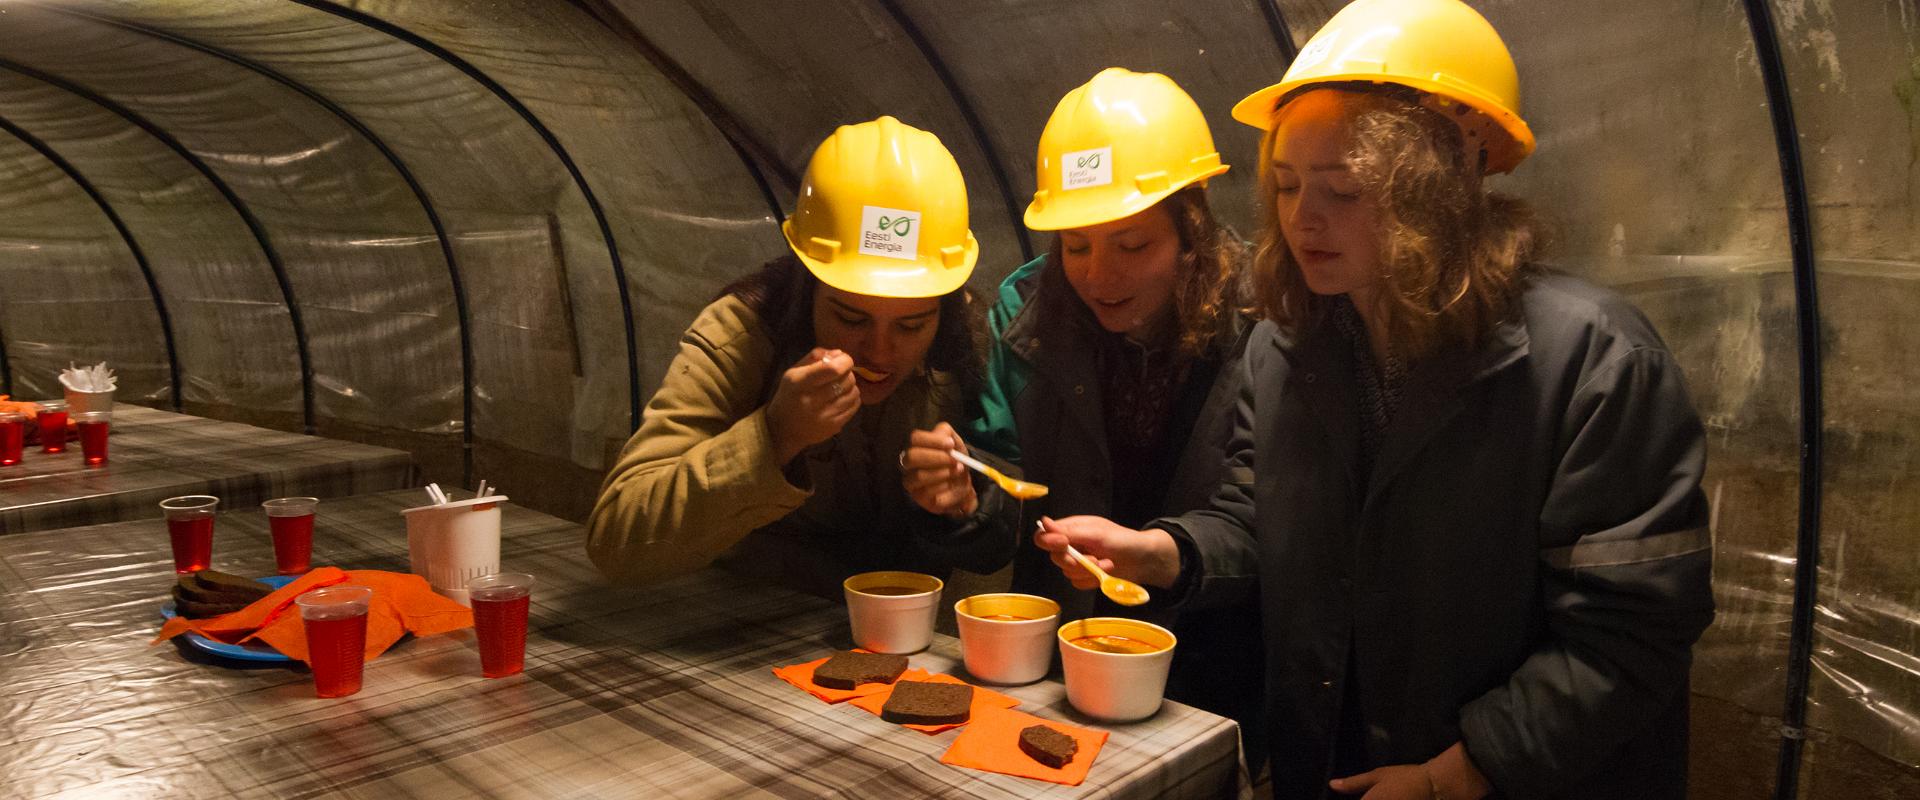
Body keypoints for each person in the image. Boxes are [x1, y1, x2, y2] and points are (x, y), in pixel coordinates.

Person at [1030, 2, 1716, 798]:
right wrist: (1165, 552)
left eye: (1345, 191)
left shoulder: (1594, 363)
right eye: (1285, 187)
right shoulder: (1286, 349)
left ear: (1448, 183)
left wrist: (1459, 775)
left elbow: (1633, 632)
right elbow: (1258, 518)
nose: (1302, 220)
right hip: (1333, 763)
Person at [899, 68, 1265, 761]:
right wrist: (963, 499)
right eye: (1076, 246)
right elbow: (1006, 491)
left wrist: (1160, 554)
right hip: (1055, 669)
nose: (1099, 275)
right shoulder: (1029, 314)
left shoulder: (1263, 323)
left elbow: (1266, 524)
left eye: (1132, 245)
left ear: (1191, 230)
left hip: (1213, 677)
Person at [588, 116, 1008, 599]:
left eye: (911, 325)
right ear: (808, 284)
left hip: (898, 629)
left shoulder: (966, 340)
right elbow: (617, 541)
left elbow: (1014, 530)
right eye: (850, 318)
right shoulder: (742, 334)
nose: (878, 350)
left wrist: (968, 502)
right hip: (743, 625)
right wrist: (774, 436)